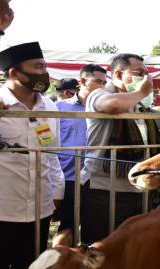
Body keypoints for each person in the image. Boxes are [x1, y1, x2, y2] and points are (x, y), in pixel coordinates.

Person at [81, 53, 160, 244]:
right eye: (139, 73)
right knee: (101, 249)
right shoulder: (100, 93)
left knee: (133, 249)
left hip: (139, 188)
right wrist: (142, 92)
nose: (146, 78)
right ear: (119, 74)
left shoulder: (138, 106)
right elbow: (112, 106)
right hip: (104, 190)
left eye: (147, 73)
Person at [0, 41, 64, 269]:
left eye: (45, 67)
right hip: (2, 208)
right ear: (14, 72)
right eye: (38, 66)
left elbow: (52, 152)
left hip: (39, 209)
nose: (44, 73)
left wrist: (58, 191)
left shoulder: (49, 106)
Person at [54, 64, 107, 246]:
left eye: (104, 83)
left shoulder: (105, 109)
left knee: (94, 227)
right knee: (67, 226)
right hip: (68, 176)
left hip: (96, 177)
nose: (102, 86)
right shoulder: (58, 108)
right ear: (83, 81)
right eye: (98, 81)